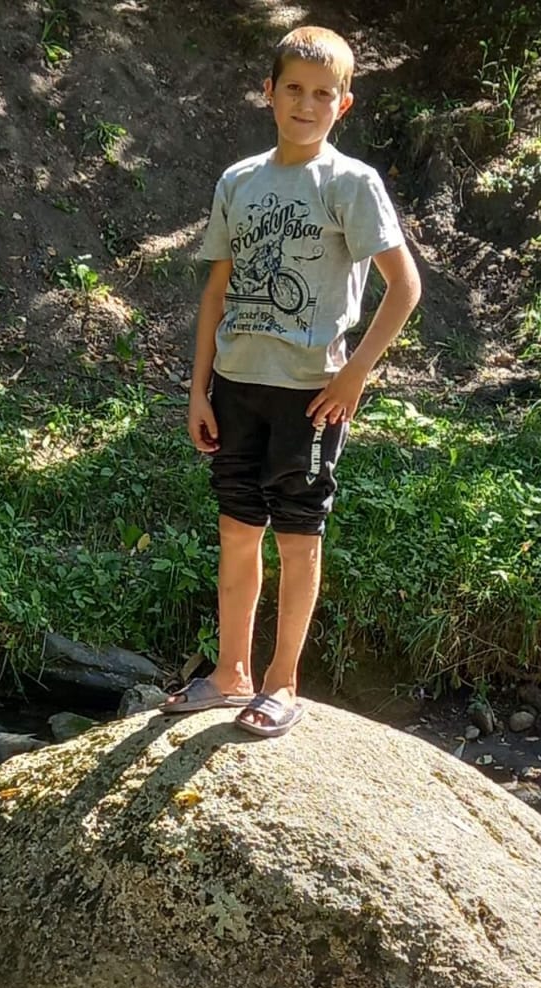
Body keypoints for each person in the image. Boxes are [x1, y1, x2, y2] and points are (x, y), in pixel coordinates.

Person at [162, 25, 421, 737]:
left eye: (322, 93)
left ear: (344, 104)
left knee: (298, 539)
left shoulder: (351, 183)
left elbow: (405, 288)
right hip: (236, 385)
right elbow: (216, 291)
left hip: (310, 393)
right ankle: (229, 673)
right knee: (235, 530)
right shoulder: (238, 181)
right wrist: (198, 388)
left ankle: (282, 684)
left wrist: (354, 379)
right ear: (269, 93)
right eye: (294, 89)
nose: (305, 104)